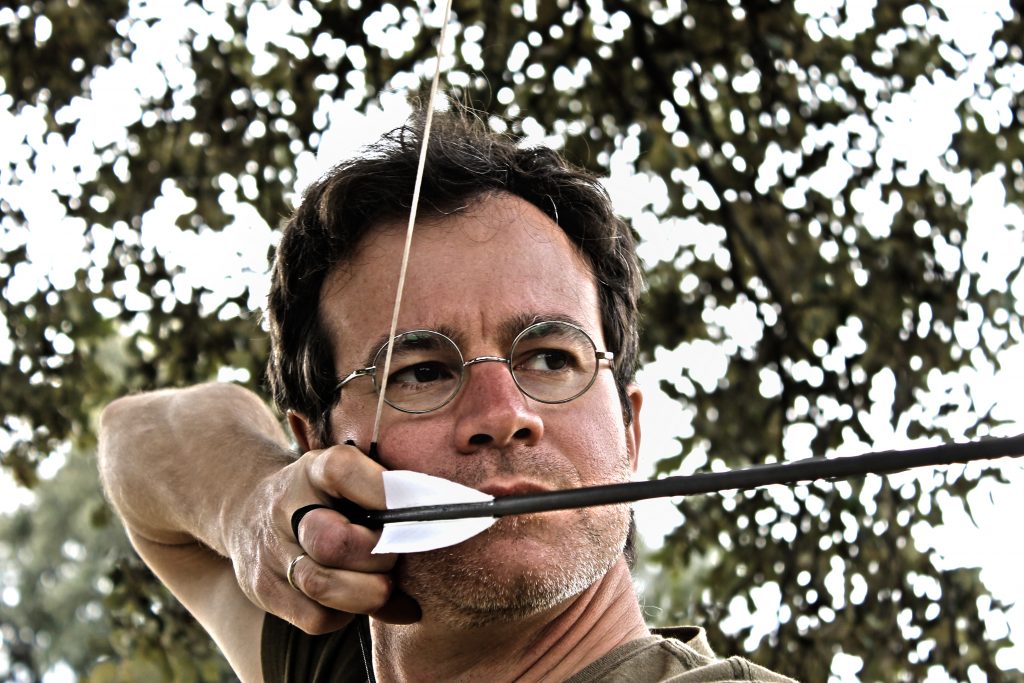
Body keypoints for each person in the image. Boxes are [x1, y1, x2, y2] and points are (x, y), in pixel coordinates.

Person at [98, 110, 795, 683]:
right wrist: (253, 503)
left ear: (630, 429)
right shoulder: (328, 655)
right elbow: (138, 434)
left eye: (552, 359)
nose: (503, 414)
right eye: (423, 371)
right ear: (317, 448)